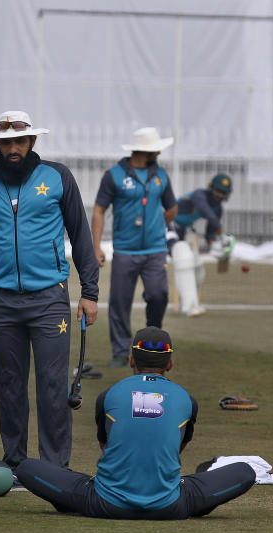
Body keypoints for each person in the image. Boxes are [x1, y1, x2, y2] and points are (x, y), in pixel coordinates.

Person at [0, 110, 99, 471]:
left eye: (19, 141)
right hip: (1, 301)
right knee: (10, 386)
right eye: (5, 143)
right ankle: (16, 464)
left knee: (52, 387)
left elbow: (80, 236)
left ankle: (54, 469)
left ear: (32, 141)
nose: (12, 148)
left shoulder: (58, 177)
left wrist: (89, 292)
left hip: (49, 298)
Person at [15, 327, 256, 519]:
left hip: (103, 503)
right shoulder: (187, 400)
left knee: (26, 468)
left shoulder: (109, 395)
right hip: (169, 506)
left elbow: (106, 446)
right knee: (245, 471)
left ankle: (71, 500)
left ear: (131, 360)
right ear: (170, 363)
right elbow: (176, 449)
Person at [92, 127, 177, 366]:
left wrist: (157, 225)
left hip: (154, 250)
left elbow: (172, 208)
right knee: (119, 302)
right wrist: (96, 246)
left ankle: (153, 338)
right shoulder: (114, 175)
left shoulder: (161, 175)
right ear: (145, 150)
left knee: (158, 294)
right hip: (125, 251)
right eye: (156, 148)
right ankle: (120, 352)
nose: (160, 151)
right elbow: (99, 210)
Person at [168, 173, 235, 316]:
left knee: (198, 269)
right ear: (211, 188)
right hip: (168, 225)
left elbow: (210, 234)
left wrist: (220, 248)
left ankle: (188, 302)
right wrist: (224, 237)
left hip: (185, 231)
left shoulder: (218, 209)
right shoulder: (199, 195)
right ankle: (189, 307)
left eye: (224, 193)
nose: (220, 195)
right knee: (184, 257)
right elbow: (209, 215)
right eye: (218, 191)